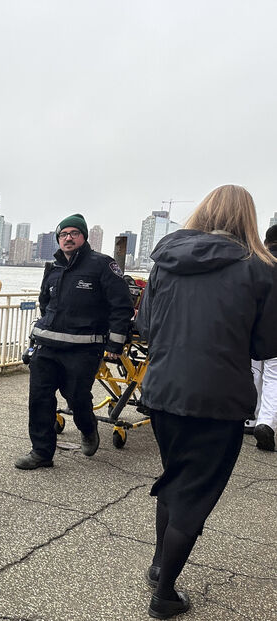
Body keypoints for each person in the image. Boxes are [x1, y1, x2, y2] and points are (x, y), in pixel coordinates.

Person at [136, 185, 277, 619]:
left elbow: (145, 327)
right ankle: (164, 595)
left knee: (176, 477)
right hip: (218, 398)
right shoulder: (261, 269)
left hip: (162, 391)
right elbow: (266, 345)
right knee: (195, 493)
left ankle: (161, 564)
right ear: (248, 219)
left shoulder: (165, 262)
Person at [15, 214, 133, 470]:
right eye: (63, 234)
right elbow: (45, 303)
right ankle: (41, 453)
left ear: (83, 237)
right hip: (47, 346)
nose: (68, 238)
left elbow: (121, 306)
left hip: (83, 348)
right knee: (40, 399)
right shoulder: (53, 267)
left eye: (73, 233)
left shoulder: (102, 265)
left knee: (77, 397)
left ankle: (88, 428)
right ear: (58, 239)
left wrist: (114, 345)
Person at [249, 223, 277, 452]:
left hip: (256, 329)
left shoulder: (258, 263)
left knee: (254, 373)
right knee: (274, 378)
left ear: (267, 242)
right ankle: (265, 422)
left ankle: (249, 417)